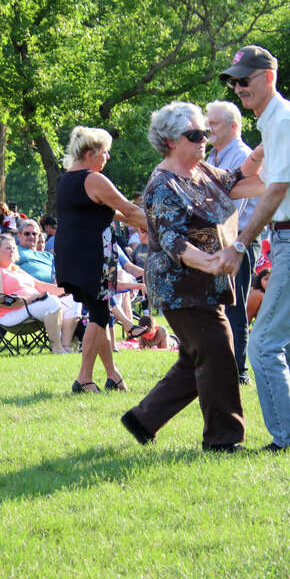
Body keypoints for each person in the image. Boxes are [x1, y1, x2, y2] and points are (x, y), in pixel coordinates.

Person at [118, 100, 264, 453]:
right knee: (218, 353)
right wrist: (208, 262)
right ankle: (222, 439)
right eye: (195, 134)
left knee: (197, 356)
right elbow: (171, 240)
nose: (205, 139)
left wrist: (265, 147)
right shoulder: (162, 183)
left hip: (207, 283)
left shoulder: (203, 172)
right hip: (180, 285)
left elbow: (239, 179)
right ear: (170, 141)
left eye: (207, 133)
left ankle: (142, 419)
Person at [215, 45, 290, 452]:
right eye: (233, 80)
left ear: (269, 77)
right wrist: (255, 156)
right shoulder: (282, 119)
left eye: (245, 79)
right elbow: (259, 174)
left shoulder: (282, 121)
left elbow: (278, 189)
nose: (237, 87)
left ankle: (288, 439)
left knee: (263, 343)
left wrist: (241, 242)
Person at [55, 126, 146, 393]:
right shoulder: (93, 179)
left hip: (72, 254)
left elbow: (107, 211)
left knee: (100, 311)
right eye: (104, 152)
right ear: (90, 152)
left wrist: (134, 220)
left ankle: (113, 375)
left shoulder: (67, 179)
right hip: (91, 254)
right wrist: (158, 225)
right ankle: (83, 379)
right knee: (99, 313)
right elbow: (127, 208)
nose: (107, 157)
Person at [204, 99, 261, 385]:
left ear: (234, 126)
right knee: (217, 306)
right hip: (217, 242)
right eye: (207, 122)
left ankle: (238, 370)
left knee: (235, 305)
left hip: (238, 242)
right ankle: (220, 366)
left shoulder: (242, 156)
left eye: (214, 123)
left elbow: (231, 207)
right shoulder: (212, 157)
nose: (207, 128)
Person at [0, 234, 75, 353]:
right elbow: (1, 300)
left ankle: (66, 346)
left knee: (73, 301)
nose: (12, 251)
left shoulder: (15, 269)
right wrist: (31, 299)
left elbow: (40, 285)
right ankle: (57, 348)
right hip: (11, 314)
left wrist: (69, 290)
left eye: (13, 248)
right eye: (8, 248)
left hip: (32, 306)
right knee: (52, 302)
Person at [16, 218, 79, 352]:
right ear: (19, 235)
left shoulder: (47, 256)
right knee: (55, 300)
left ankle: (65, 346)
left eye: (35, 234)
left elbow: (57, 275)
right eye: (27, 233)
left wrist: (59, 287)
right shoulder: (15, 253)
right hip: (32, 297)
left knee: (75, 299)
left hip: (53, 292)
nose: (31, 237)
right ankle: (59, 346)